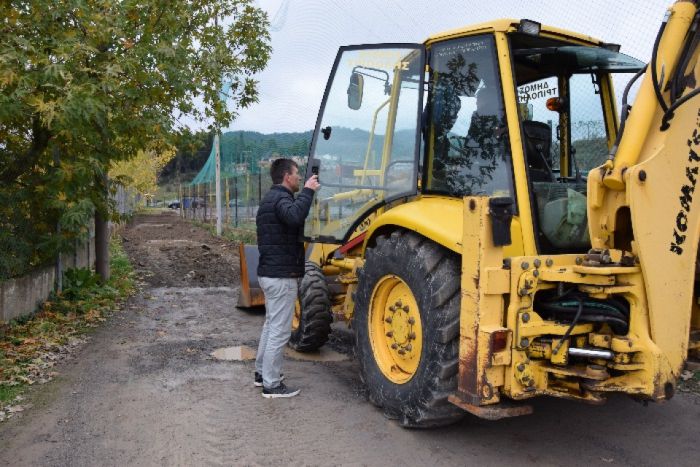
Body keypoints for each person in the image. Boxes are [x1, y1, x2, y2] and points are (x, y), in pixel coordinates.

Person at [254, 158, 320, 398]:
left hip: (270, 273)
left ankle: (262, 373)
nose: (299, 178)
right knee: (280, 331)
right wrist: (309, 191)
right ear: (286, 177)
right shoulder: (282, 198)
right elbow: (294, 216)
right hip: (280, 276)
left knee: (271, 325)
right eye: (297, 174)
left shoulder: (269, 199)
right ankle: (271, 385)